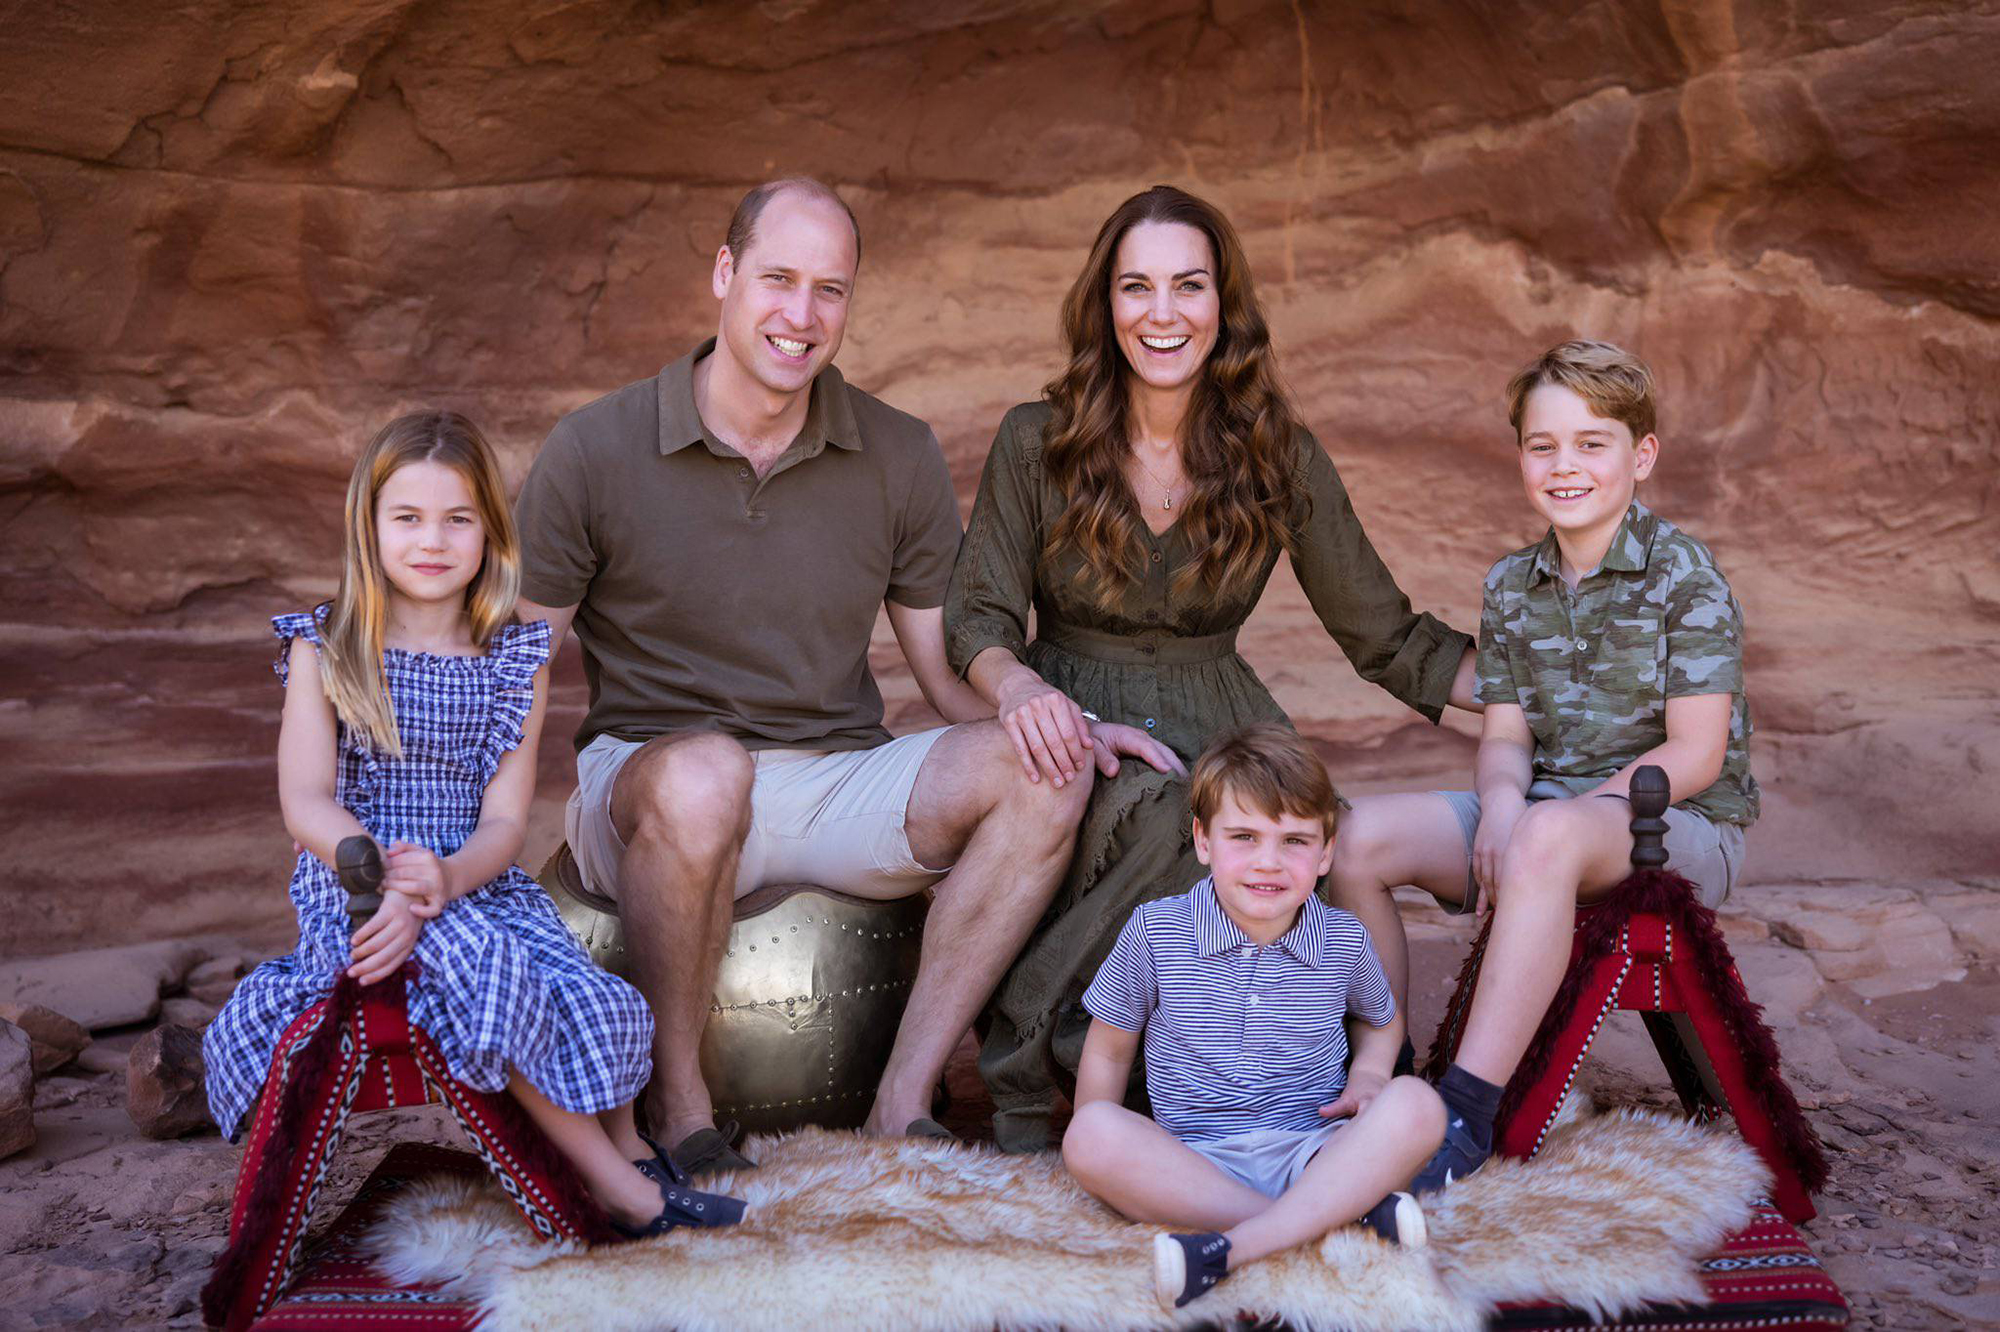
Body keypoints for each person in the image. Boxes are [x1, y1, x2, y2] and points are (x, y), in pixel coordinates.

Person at [513, 178, 1170, 1171]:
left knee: (1045, 772)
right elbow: (513, 676)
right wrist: (472, 845)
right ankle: (681, 1116)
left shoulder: (892, 453)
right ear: (725, 276)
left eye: (830, 289)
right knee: (705, 777)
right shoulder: (594, 448)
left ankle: (899, 1103)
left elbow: (948, 675)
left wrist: (1050, 718)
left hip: (826, 781)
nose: (801, 314)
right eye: (778, 279)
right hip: (648, 789)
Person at [945, 184, 1479, 1151]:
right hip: (1077, 719)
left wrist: (1544, 696)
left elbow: (1384, 634)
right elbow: (977, 613)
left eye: (1188, 287)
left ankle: (1305, 1098)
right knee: (1173, 814)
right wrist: (1022, 691)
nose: (1162, 314)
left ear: (1223, 306)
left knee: (1286, 835)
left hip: (1224, 710)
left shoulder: (1277, 455)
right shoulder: (1037, 440)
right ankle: (1030, 1064)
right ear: (1104, 306)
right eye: (1136, 288)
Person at [202, 412, 738, 1239]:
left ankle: (630, 1152)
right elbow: (306, 800)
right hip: (356, 887)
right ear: (368, 526)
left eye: (458, 519)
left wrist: (449, 878)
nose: (432, 540)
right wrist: (374, 870)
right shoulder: (328, 648)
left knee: (595, 990)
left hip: (475, 882)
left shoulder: (513, 659)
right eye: (407, 518)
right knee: (475, 961)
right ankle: (619, 1192)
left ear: (489, 531)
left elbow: (503, 821)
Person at [1327, 339, 1759, 1192]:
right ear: (1521, 454)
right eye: (1542, 445)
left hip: (1670, 827)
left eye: (1591, 444)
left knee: (1549, 835)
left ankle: (1466, 1113)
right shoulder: (1511, 586)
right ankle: (1385, 1068)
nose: (1565, 466)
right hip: (1545, 817)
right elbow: (1507, 737)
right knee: (1354, 840)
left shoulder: (1686, 579)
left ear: (1641, 456)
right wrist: (1499, 808)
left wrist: (1544, 827)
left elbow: (1697, 755)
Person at [1061, 725, 1445, 1310]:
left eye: (1294, 841)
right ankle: (1333, 1228)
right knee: (1089, 1133)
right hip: (1192, 1163)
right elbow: (1111, 1048)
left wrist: (1369, 1079)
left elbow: (1381, 1021)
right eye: (1244, 836)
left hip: (1314, 1153)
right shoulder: (1156, 931)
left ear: (1326, 853)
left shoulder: (1343, 941)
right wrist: (1102, 1152)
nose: (1269, 862)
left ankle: (1230, 1251)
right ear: (1204, 841)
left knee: (1417, 1104)